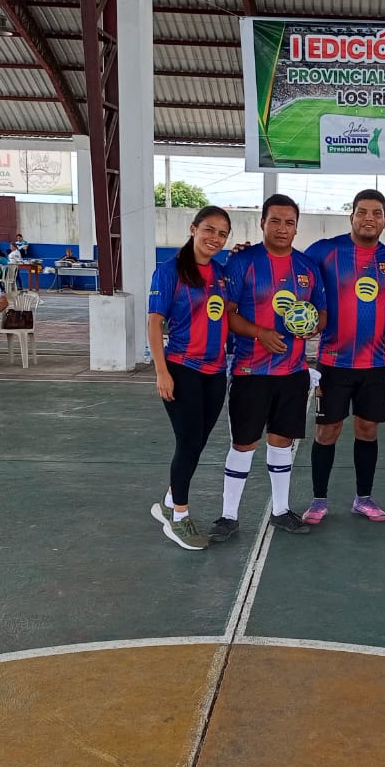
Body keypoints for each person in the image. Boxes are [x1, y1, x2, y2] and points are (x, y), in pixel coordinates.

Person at [207, 194, 327, 542]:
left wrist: (312, 326)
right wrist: (260, 332)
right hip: (251, 372)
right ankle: (228, 516)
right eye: (275, 220)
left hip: (292, 373)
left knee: (281, 441)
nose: (282, 228)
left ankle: (281, 510)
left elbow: (322, 313)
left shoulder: (307, 268)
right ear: (262, 223)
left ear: (296, 227)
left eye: (289, 222)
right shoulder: (242, 262)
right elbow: (227, 315)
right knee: (244, 444)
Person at [300, 189, 385, 524]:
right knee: (326, 432)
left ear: (384, 220)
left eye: (376, 213)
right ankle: (318, 501)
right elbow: (292, 267)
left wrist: (381, 315)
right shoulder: (325, 250)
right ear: (352, 216)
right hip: (333, 363)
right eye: (362, 212)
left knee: (367, 429)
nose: (369, 218)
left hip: (373, 365)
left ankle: (364, 499)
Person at [146, 206, 233, 550]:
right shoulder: (169, 271)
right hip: (182, 368)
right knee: (188, 441)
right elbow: (155, 323)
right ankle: (179, 516)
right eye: (209, 230)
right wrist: (162, 371)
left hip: (216, 371)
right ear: (194, 229)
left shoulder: (222, 274)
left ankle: (171, 496)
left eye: (223, 234)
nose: (215, 238)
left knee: (198, 441)